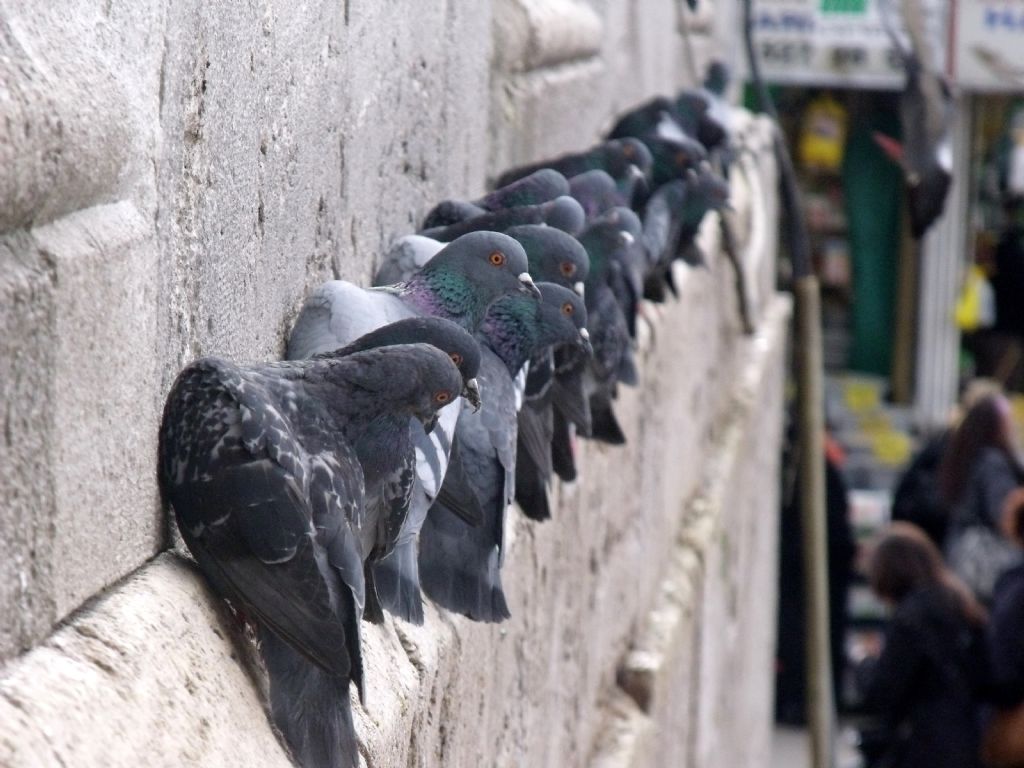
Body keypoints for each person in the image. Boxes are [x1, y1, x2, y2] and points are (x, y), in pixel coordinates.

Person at [857, 523, 988, 768]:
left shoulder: (911, 617)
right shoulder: (961, 605)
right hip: (968, 736)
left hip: (923, 741)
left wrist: (865, 662)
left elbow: (884, 688)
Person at [940, 392, 1024, 603]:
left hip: (960, 554)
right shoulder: (993, 461)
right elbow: (1004, 512)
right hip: (989, 560)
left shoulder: (963, 455)